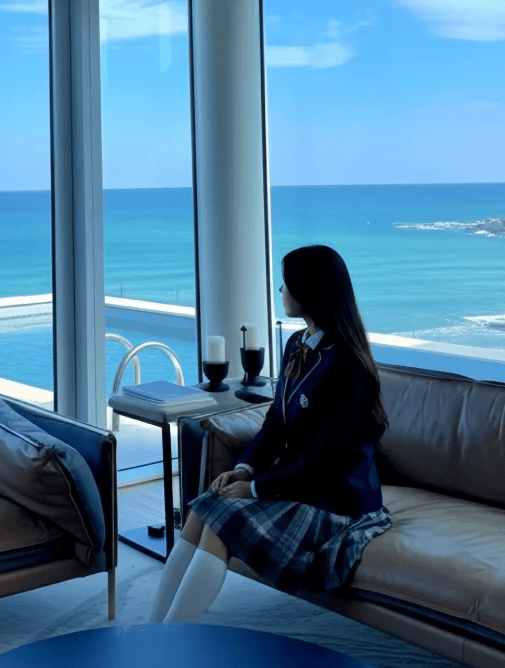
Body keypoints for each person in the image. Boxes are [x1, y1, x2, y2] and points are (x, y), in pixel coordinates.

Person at [148, 244, 393, 624]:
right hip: (299, 485)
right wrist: (244, 469)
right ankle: (153, 629)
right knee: (202, 509)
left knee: (221, 521)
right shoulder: (297, 344)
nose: (281, 290)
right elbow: (276, 423)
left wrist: (256, 488)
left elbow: (325, 460)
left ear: (308, 290)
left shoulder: (349, 365)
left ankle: (171, 635)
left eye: (286, 283)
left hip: (337, 500)